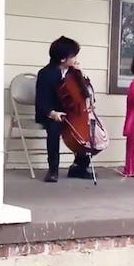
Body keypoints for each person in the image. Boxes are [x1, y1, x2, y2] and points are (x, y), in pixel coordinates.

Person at [35, 36, 94, 183]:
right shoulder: (45, 74)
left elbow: (85, 92)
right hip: (51, 112)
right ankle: (53, 169)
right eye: (73, 56)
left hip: (72, 111)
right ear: (62, 59)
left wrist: (80, 75)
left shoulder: (73, 72)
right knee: (54, 129)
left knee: (87, 129)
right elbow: (42, 101)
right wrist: (52, 113)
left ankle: (79, 166)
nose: (75, 59)